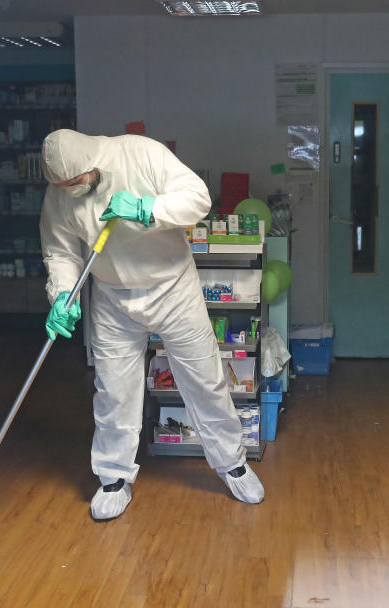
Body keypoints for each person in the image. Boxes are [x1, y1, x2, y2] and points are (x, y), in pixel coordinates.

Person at [39, 129, 264, 520]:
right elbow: (60, 249)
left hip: (172, 287)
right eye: (62, 186)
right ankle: (113, 478)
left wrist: (147, 209)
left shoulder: (140, 153)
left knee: (204, 379)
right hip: (112, 296)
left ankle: (233, 463)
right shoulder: (59, 193)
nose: (70, 191)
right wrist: (63, 293)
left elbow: (197, 199)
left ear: (92, 166)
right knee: (113, 390)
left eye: (75, 183)